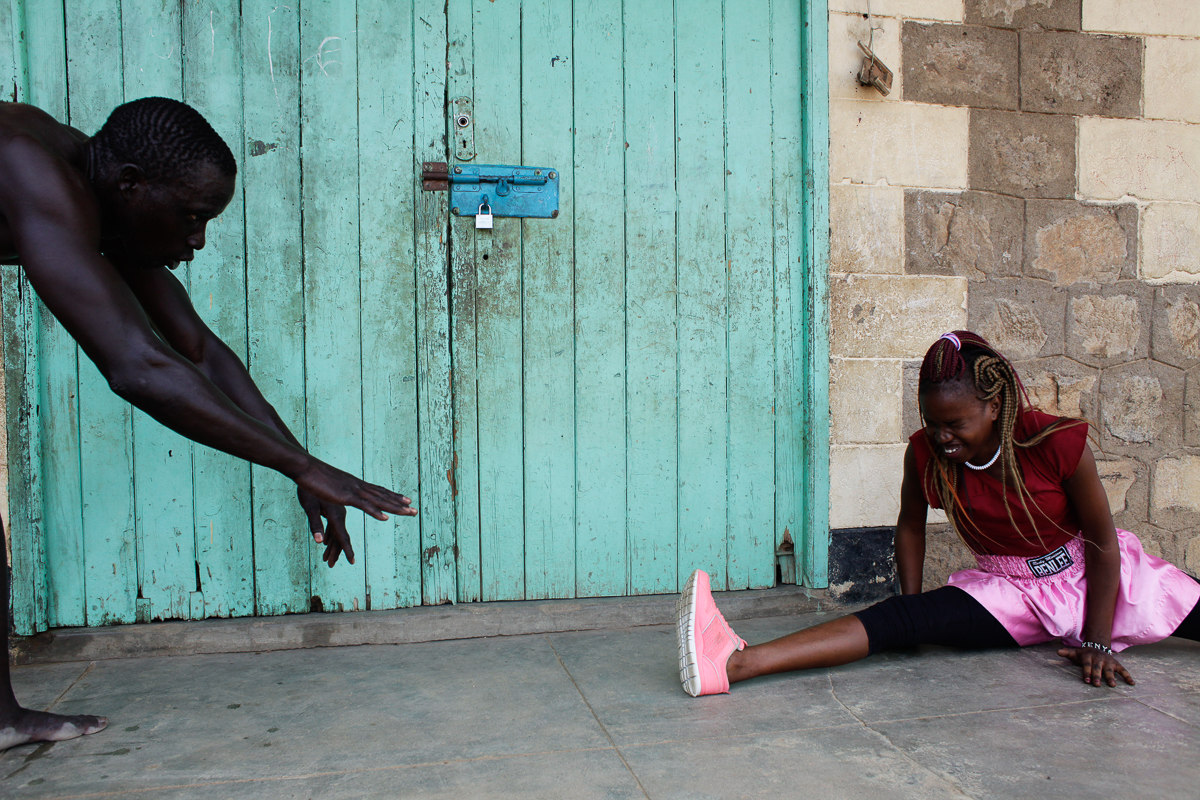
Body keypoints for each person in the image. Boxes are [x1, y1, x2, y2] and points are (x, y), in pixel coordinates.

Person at [0, 97, 417, 750]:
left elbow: (197, 351)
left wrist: (300, 466)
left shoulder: (104, 189)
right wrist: (300, 466)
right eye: (193, 218)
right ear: (134, 185)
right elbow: (137, 366)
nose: (197, 240)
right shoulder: (31, 168)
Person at [676, 330, 1200, 696]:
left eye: (956, 422)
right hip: (1009, 591)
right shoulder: (925, 454)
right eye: (932, 421)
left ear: (994, 406)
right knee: (898, 619)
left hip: (1093, 576)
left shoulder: (1054, 443)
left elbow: (1103, 545)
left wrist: (1097, 640)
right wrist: (910, 611)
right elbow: (909, 523)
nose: (942, 435)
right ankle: (734, 662)